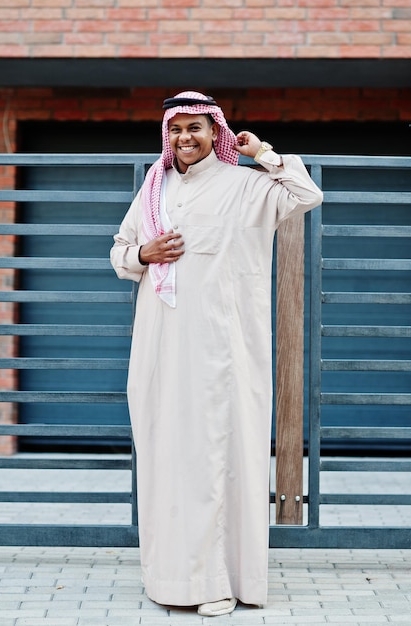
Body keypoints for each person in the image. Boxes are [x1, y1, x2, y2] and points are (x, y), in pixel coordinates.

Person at [110, 91, 323, 617]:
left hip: (225, 354)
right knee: (169, 458)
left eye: (196, 128)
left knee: (219, 460)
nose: (185, 138)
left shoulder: (248, 186)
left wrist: (264, 154)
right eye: (176, 128)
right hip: (161, 351)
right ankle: (173, 581)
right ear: (167, 135)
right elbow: (119, 250)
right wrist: (143, 253)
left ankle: (222, 583)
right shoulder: (154, 189)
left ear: (216, 133)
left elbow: (306, 194)